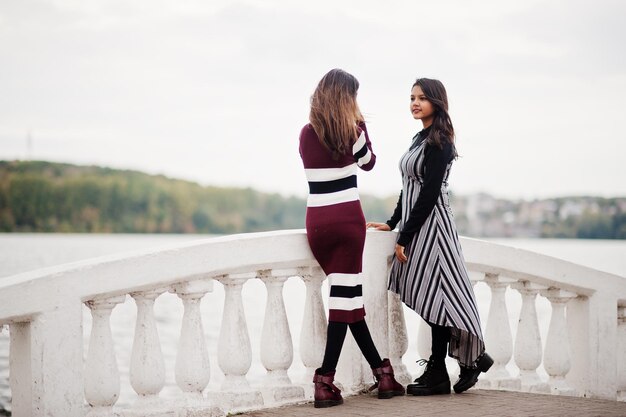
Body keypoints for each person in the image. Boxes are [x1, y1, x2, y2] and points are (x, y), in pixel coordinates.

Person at [367, 78, 492, 396]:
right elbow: (409, 187)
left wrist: (404, 235)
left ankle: (441, 369)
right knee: (435, 293)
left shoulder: (441, 141)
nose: (414, 103)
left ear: (437, 101)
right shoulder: (419, 138)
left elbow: (429, 193)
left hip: (434, 228)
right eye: (411, 97)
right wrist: (392, 222)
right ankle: (467, 359)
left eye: (422, 98)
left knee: (438, 294)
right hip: (418, 225)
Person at [299, 68, 405, 408]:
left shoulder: (305, 133)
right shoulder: (354, 130)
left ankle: (383, 374)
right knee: (344, 303)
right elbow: (369, 163)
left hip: (317, 224)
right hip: (346, 223)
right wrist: (359, 124)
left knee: (349, 301)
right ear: (348, 99)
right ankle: (324, 381)